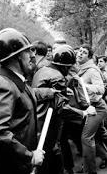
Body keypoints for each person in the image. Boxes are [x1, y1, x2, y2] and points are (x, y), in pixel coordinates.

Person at [0, 28, 60, 174]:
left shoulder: (14, 82)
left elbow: (28, 95)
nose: (33, 56)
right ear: (17, 57)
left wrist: (50, 92)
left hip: (10, 163)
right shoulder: (3, 86)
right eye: (28, 52)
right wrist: (29, 156)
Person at [31, 44, 77, 174]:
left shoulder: (41, 70)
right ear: (65, 66)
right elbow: (62, 108)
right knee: (50, 153)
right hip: (49, 122)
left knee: (48, 153)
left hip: (37, 119)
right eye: (69, 67)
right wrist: (83, 113)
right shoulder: (58, 77)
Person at [76, 44, 107, 174]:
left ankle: (90, 170)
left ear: (89, 57)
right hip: (87, 107)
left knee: (86, 138)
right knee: (100, 135)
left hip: (97, 108)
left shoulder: (92, 70)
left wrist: (82, 84)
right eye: (79, 51)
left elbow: (101, 89)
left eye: (83, 52)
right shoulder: (79, 68)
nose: (79, 54)